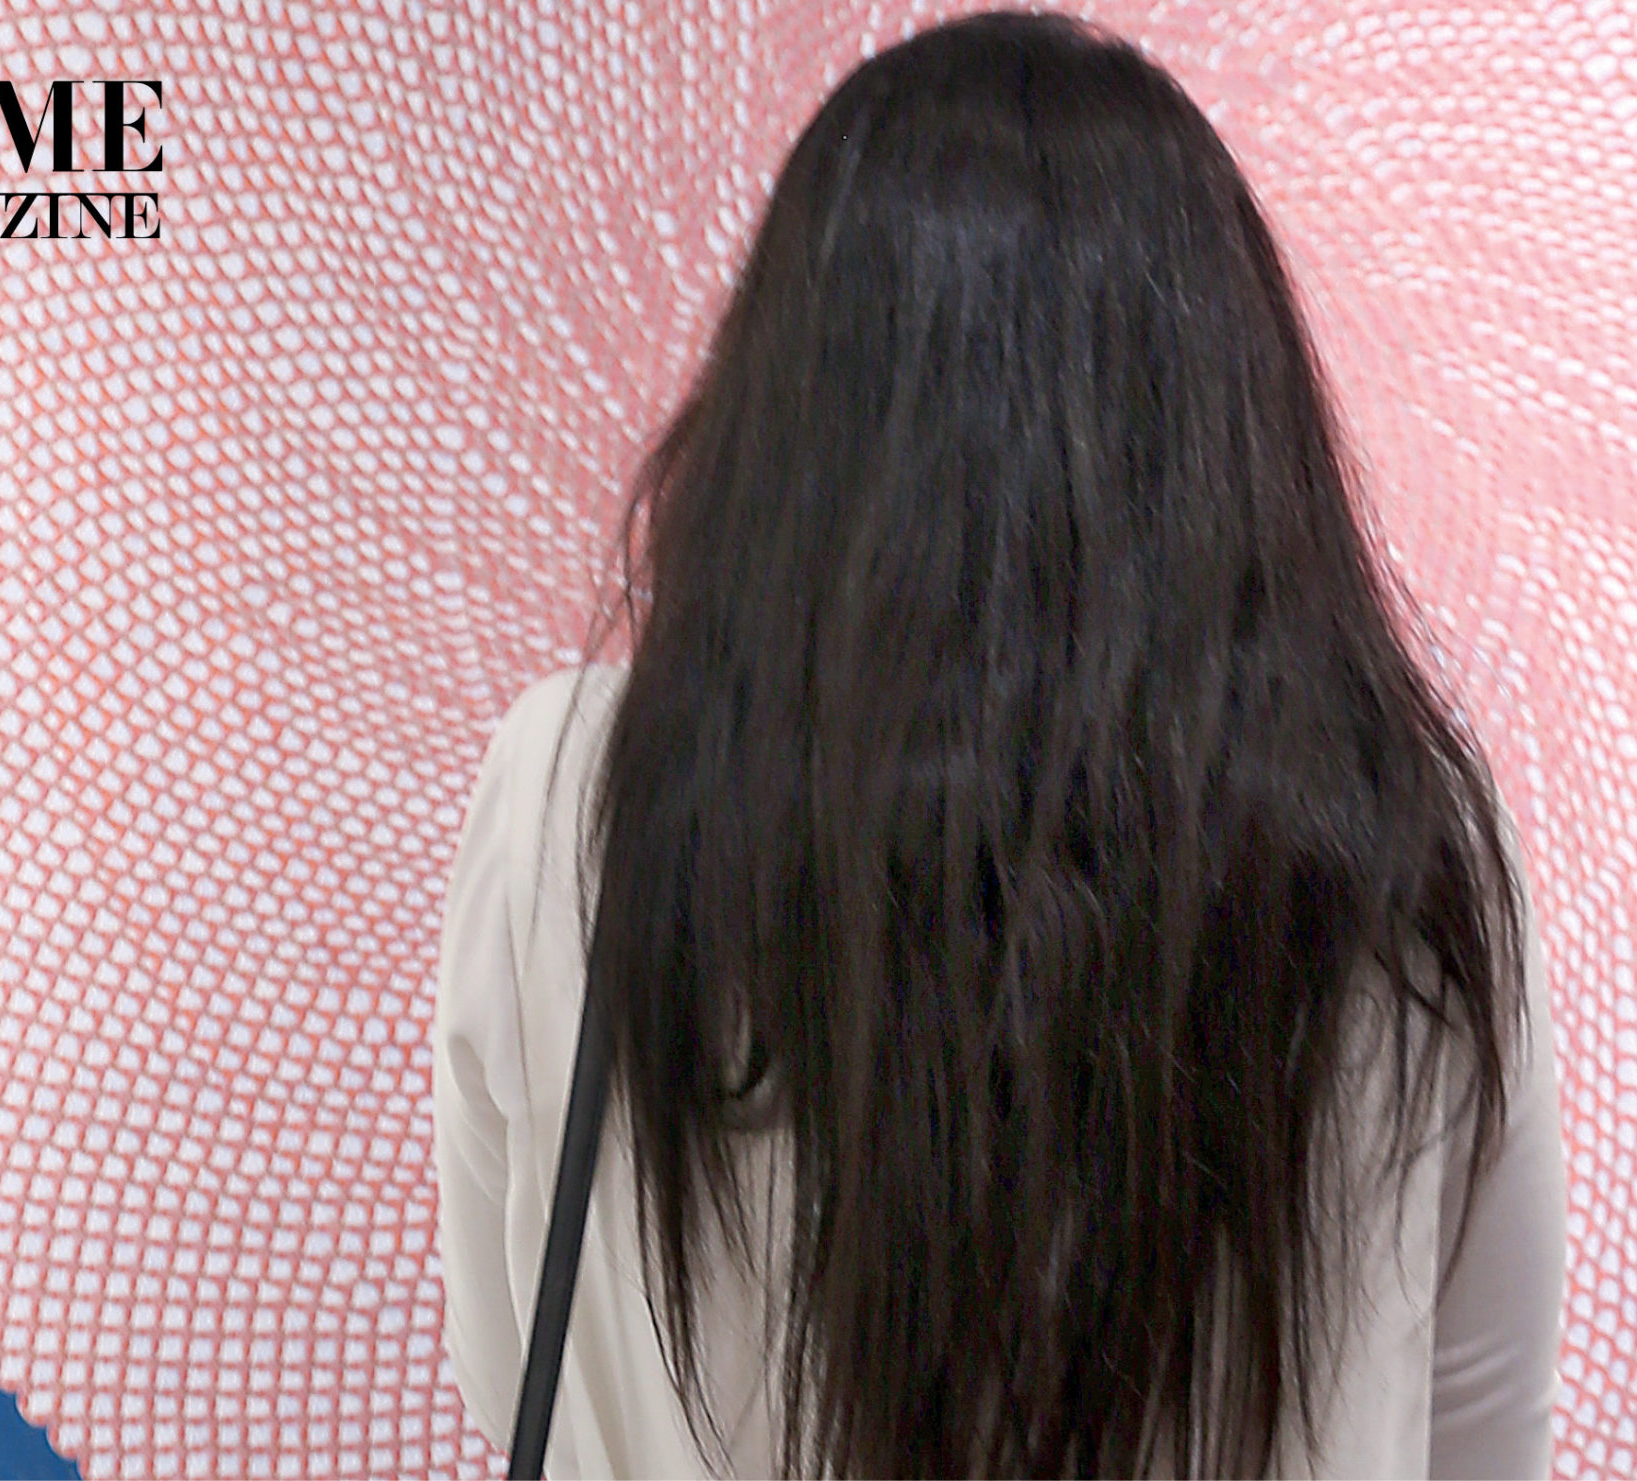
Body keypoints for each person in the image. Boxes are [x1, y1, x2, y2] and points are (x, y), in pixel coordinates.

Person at [432, 10, 1565, 1476]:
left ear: (785, 408)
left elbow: (512, 1346)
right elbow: (1477, 1436)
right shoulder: (1391, 841)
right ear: (1227, 428)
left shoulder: (569, 803)